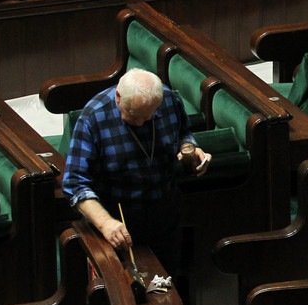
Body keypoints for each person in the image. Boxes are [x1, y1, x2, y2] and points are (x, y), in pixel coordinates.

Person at [62, 68, 210, 279]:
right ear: (118, 96)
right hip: (117, 218)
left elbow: (184, 133)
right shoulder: (93, 117)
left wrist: (191, 149)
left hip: (165, 214)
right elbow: (75, 184)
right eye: (133, 116)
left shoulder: (168, 99)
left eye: (147, 118)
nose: (140, 123)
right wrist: (105, 223)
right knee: (123, 293)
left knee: (166, 285)